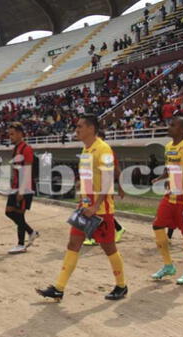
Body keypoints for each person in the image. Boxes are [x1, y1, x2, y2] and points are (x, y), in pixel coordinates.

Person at [36, 114, 127, 301]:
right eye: (76, 127)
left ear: (91, 128)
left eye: (80, 127)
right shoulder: (85, 150)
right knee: (73, 243)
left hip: (101, 210)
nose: (76, 130)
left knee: (109, 247)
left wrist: (96, 205)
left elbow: (108, 180)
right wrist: (80, 184)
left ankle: (121, 285)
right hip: (84, 206)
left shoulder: (104, 149)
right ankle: (59, 288)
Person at [150, 117, 183, 285]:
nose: (169, 127)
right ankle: (168, 265)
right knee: (157, 225)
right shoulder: (168, 147)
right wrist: (161, 177)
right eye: (169, 124)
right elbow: (170, 168)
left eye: (173, 125)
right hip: (170, 195)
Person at [4, 122, 39, 254]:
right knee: (9, 212)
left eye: (12, 134)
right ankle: (31, 232)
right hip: (16, 186)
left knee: (19, 213)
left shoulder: (26, 149)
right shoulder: (16, 149)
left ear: (20, 133)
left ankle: (21, 244)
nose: (10, 137)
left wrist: (22, 190)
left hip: (25, 187)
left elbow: (27, 170)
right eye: (9, 134)